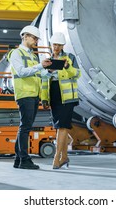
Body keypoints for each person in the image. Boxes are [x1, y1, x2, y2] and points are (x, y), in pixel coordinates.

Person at [8, 25, 52, 169]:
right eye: (34, 38)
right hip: (24, 94)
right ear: (25, 36)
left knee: (24, 127)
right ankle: (25, 160)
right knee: (25, 128)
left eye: (37, 39)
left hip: (33, 94)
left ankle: (18, 160)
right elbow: (21, 72)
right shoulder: (16, 53)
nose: (36, 41)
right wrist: (40, 66)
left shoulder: (33, 55)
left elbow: (39, 74)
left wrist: (49, 70)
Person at [41, 32, 81, 169]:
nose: (56, 47)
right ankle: (64, 157)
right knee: (59, 127)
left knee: (62, 126)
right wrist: (44, 99)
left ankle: (56, 158)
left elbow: (77, 74)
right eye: (54, 44)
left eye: (59, 45)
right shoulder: (48, 60)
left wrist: (67, 67)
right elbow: (44, 81)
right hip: (54, 94)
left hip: (67, 97)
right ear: (51, 45)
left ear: (63, 45)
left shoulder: (69, 58)